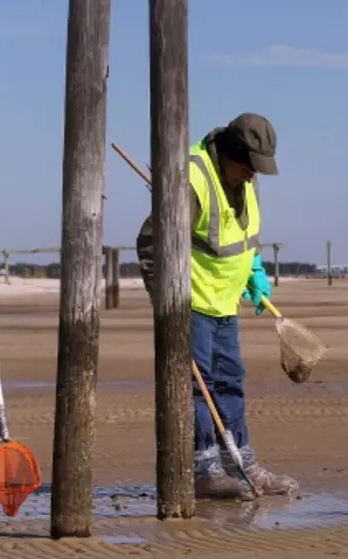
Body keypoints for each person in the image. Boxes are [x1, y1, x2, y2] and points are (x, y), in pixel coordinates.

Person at [135, 113, 299, 499]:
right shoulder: (192, 178)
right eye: (248, 167)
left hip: (226, 302)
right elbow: (150, 241)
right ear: (229, 153)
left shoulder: (244, 177)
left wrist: (253, 270)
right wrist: (166, 302)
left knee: (230, 381)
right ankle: (203, 469)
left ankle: (241, 463)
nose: (252, 176)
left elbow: (240, 234)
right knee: (197, 386)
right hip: (191, 302)